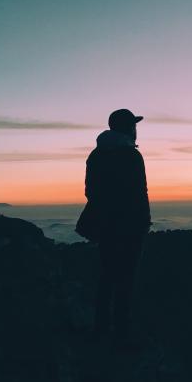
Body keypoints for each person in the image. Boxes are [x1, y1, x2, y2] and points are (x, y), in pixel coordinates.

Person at [76, 109, 151, 344]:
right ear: (128, 128)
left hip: (105, 225)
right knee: (126, 280)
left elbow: (90, 191)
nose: (136, 129)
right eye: (133, 125)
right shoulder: (131, 155)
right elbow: (140, 193)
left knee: (107, 277)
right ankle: (122, 335)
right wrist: (143, 222)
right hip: (129, 227)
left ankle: (100, 330)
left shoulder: (96, 155)